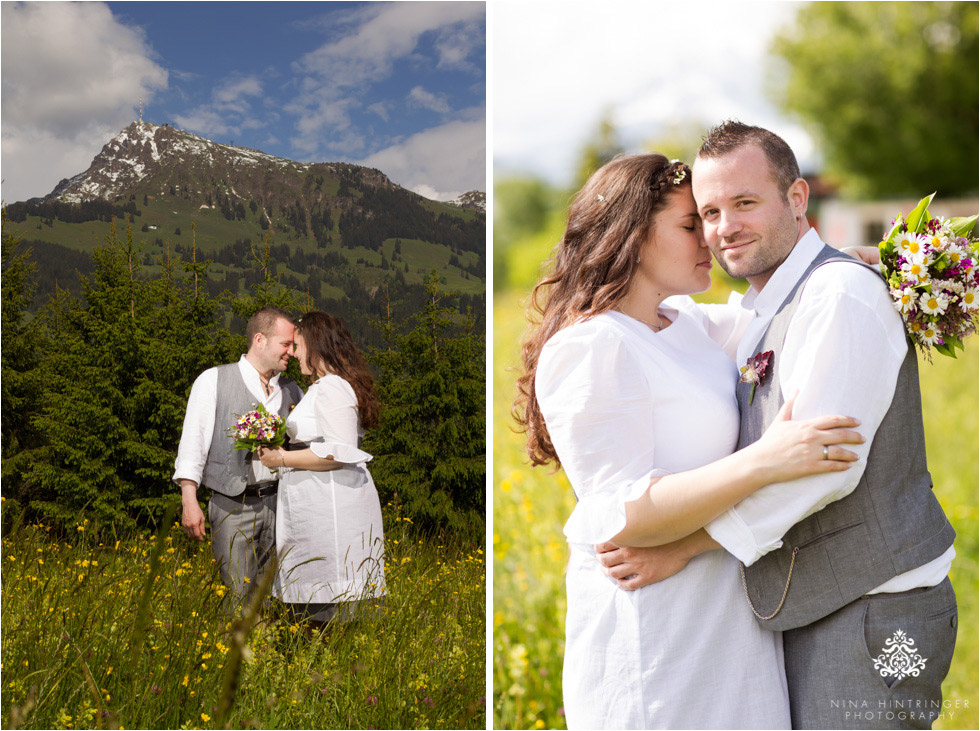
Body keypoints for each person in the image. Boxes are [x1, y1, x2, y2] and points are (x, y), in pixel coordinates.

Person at [599, 122, 957, 730]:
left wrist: (686, 546)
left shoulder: (838, 296)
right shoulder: (765, 305)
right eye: (707, 213)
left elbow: (824, 472)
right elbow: (673, 319)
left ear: (796, 199)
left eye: (744, 203)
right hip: (821, 602)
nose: (723, 229)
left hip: (874, 610)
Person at [514, 152, 867, 729]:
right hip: (657, 633)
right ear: (630, 235)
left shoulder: (684, 322)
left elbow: (802, 289)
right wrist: (764, 462)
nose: (708, 237)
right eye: (689, 223)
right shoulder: (594, 346)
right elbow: (620, 518)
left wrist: (919, 266)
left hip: (724, 615)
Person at [257, 311, 386, 626]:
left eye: (298, 345)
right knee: (315, 594)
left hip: (330, 505)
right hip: (317, 500)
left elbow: (338, 453)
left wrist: (280, 459)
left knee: (327, 599)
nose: (293, 353)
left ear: (315, 345)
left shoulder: (332, 387)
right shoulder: (324, 387)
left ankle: (325, 653)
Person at [174, 307, 304, 606]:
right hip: (233, 504)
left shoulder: (291, 390)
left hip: (280, 504)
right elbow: (193, 443)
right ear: (260, 340)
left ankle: (267, 649)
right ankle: (242, 651)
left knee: (275, 594)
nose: (291, 352)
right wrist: (189, 500)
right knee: (237, 595)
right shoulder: (213, 380)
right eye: (286, 344)